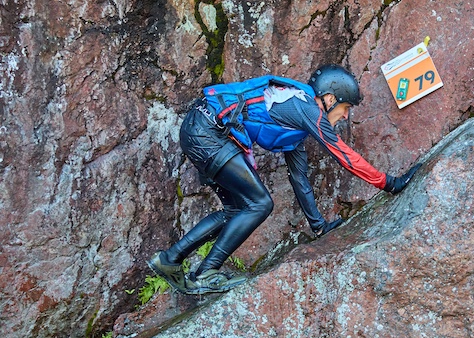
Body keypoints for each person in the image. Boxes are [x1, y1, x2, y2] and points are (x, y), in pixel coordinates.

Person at [148, 64, 421, 295]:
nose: (346, 115)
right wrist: (390, 184)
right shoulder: (307, 109)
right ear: (329, 99)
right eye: (346, 106)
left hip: (199, 128)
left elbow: (299, 177)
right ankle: (206, 273)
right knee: (260, 204)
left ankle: (170, 259)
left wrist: (320, 227)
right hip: (208, 133)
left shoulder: (296, 120)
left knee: (235, 210)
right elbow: (344, 155)